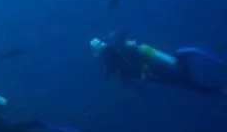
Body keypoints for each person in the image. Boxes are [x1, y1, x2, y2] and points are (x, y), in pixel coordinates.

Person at [90, 33, 226, 97]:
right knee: (182, 79)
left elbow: (121, 74)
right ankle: (217, 90)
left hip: (151, 68)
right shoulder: (113, 54)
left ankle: (218, 90)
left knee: (182, 80)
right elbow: (122, 74)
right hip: (151, 70)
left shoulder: (114, 53)